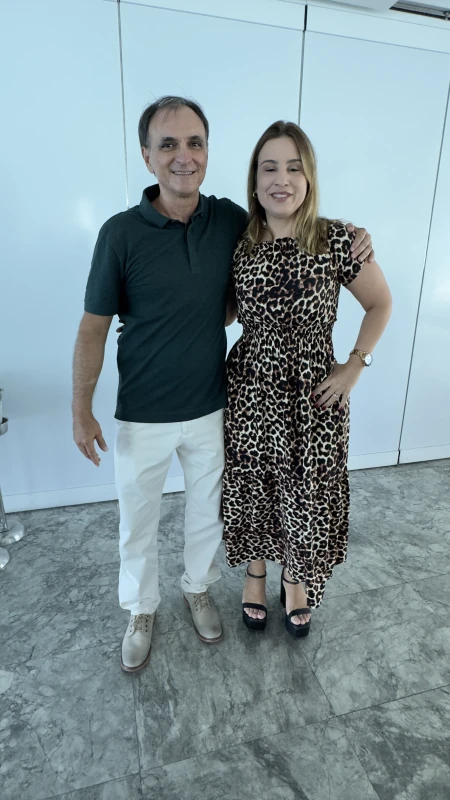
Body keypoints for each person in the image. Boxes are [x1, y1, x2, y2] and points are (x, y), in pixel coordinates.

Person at [72, 96, 375, 673]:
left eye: (194, 143)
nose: (183, 156)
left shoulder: (232, 222)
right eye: (168, 144)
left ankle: (198, 588)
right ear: (146, 156)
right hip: (143, 411)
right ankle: (140, 610)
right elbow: (93, 327)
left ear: (208, 152)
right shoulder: (119, 234)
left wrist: (356, 236)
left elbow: (290, 228)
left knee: (209, 514)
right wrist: (80, 408)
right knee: (137, 522)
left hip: (217, 404)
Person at [223, 120, 392, 638]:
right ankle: (256, 573)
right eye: (269, 168)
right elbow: (222, 312)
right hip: (251, 390)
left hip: (314, 395)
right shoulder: (238, 245)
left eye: (294, 168)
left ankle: (295, 578)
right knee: (254, 484)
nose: (282, 179)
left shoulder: (338, 239)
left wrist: (354, 366)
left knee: (307, 492)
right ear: (254, 181)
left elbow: (380, 303)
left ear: (309, 177)